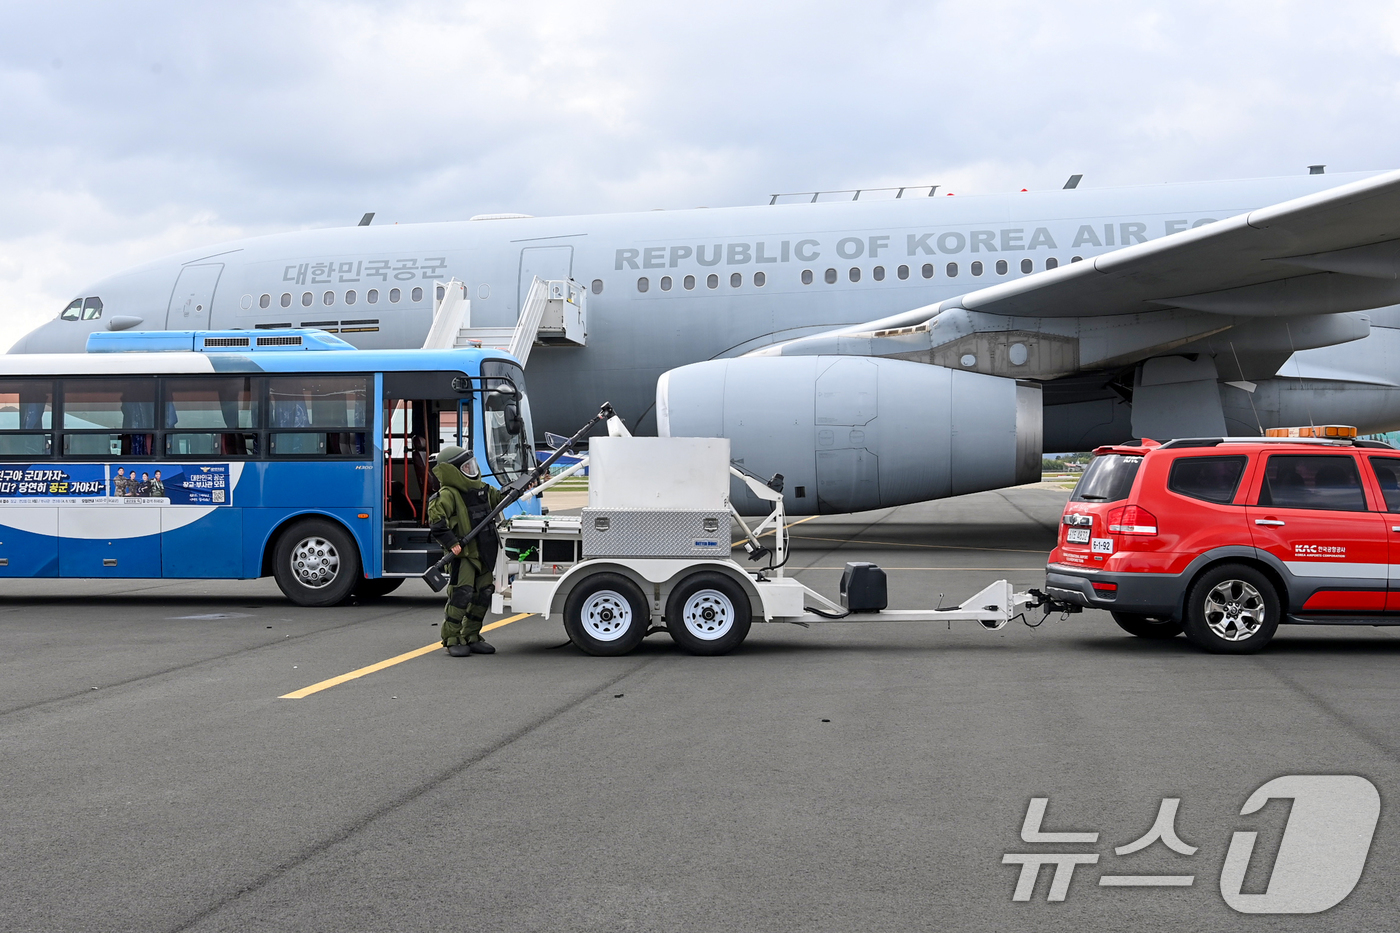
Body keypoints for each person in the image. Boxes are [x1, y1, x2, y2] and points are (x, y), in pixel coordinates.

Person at [428, 445, 504, 657]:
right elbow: (437, 523)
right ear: (452, 471)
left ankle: (472, 635)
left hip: (485, 552)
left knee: (483, 594)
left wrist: (521, 487)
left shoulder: (484, 490)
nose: (472, 470)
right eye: (465, 467)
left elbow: (501, 498)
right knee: (461, 595)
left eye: (472, 465)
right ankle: (452, 637)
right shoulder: (447, 495)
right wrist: (452, 543)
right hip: (464, 555)